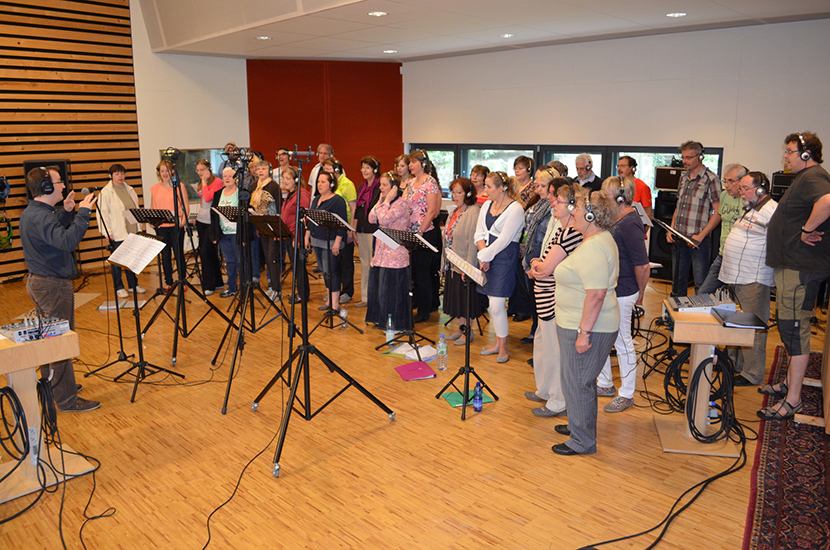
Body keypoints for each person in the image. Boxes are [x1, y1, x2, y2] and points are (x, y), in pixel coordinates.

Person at [760, 132, 830, 420]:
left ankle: (793, 399)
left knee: (794, 330)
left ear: (805, 154)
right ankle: (790, 383)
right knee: (790, 329)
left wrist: (805, 230)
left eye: (789, 152)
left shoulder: (814, 176)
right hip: (793, 267)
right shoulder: (804, 178)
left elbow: (826, 201)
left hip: (800, 268)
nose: (785, 157)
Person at [20, 166, 100, 411]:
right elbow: (66, 241)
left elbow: (53, 235)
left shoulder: (35, 212)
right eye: (58, 182)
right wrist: (84, 213)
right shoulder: (41, 215)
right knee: (60, 341)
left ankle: (54, 385)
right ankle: (66, 399)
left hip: (41, 282)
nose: (63, 186)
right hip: (52, 286)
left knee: (49, 339)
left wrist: (67, 213)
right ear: (46, 188)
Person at [552, 189, 620, 455]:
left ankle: (582, 442)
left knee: (579, 381)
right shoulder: (594, 238)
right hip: (576, 322)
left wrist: (583, 333)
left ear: (591, 215)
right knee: (576, 380)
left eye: (577, 209)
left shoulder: (594, 246)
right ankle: (577, 426)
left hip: (588, 326)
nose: (573, 213)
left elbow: (596, 295)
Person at [526, 177, 582, 418]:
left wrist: (538, 265)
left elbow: (546, 268)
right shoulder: (560, 228)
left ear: (571, 206)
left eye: (557, 199)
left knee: (555, 352)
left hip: (553, 300)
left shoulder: (570, 232)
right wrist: (537, 263)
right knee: (543, 346)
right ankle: (546, 390)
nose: (551, 202)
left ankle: (558, 401)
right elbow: (541, 261)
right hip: (545, 299)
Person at [595, 177, 650, 413]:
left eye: (606, 196)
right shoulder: (614, 218)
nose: (602, 200)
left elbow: (643, 265)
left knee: (622, 341)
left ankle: (627, 394)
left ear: (619, 198)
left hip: (625, 290)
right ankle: (605, 383)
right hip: (610, 288)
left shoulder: (630, 223)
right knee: (602, 338)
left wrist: (640, 293)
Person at [718, 171, 777, 386]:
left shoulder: (772, 211)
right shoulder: (751, 207)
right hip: (737, 277)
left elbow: (779, 243)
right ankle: (736, 364)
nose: (741, 192)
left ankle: (752, 374)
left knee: (754, 326)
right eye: (740, 188)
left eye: (745, 188)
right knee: (739, 323)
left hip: (753, 278)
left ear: (760, 190)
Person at [475, 171, 524, 363]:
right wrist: (482, 254)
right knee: (491, 303)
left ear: (501, 188)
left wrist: (486, 255)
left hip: (503, 258)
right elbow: (479, 233)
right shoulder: (486, 205)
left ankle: (504, 348)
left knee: (497, 304)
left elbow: (504, 240)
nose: (485, 190)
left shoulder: (516, 209)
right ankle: (497, 343)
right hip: (485, 255)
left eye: (488, 186)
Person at [667, 141, 721, 296]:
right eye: (683, 157)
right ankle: (676, 316)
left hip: (699, 241)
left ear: (701, 156)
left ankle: (699, 317)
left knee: (701, 284)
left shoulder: (711, 179)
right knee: (678, 282)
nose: (685, 161)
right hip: (679, 238)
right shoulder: (683, 178)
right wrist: (671, 229)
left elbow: (718, 212)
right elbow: (679, 205)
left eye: (689, 157)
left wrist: (701, 236)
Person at [365, 171, 412, 330]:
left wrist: (388, 200)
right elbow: (371, 218)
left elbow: (384, 219)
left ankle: (395, 324)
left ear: (394, 187)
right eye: (380, 185)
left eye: (384, 185)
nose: (381, 187)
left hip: (395, 256)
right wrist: (381, 200)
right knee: (380, 291)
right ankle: (380, 319)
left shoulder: (402, 204)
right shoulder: (384, 202)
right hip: (380, 254)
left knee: (391, 293)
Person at [518, 166, 557, 342]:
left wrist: (530, 260)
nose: (539, 189)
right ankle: (536, 333)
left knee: (542, 305)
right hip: (529, 254)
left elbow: (545, 241)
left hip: (540, 260)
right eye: (537, 185)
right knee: (534, 301)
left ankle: (540, 337)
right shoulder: (539, 203)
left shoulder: (552, 208)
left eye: (543, 186)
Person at [442, 178, 482, 346]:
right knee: (457, 300)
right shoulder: (453, 211)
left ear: (468, 193)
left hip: (464, 264)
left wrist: (469, 267)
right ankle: (461, 329)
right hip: (452, 264)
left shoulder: (474, 211)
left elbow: (474, 242)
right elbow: (446, 237)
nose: (455, 195)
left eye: (459, 192)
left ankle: (468, 332)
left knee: (466, 301)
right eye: (453, 192)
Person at [697, 163, 747, 294]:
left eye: (731, 181)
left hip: (740, 258)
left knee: (736, 298)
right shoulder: (724, 196)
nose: (726, 185)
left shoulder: (748, 200)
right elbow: (718, 215)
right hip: (723, 254)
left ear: (743, 181)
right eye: (725, 181)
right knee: (703, 293)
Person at [405, 150, 443, 323]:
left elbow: (432, 211)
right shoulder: (411, 183)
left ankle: (424, 311)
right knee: (412, 274)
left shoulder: (430, 182)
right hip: (410, 234)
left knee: (423, 274)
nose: (410, 165)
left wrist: (420, 232)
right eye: (410, 162)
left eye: (413, 162)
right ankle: (414, 305)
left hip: (424, 234)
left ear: (422, 163)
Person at [97, 163, 145, 298]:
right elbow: (102, 213)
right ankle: (119, 287)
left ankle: (133, 284)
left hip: (131, 230)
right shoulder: (106, 192)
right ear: (111, 176)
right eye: (117, 173)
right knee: (117, 262)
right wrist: (107, 232)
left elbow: (135, 209)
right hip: (117, 232)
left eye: (122, 173)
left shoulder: (129, 189)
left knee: (132, 260)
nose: (120, 176)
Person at [306, 171, 349, 312]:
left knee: (331, 272)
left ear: (331, 184)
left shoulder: (337, 200)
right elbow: (310, 220)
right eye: (318, 181)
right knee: (325, 272)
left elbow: (342, 224)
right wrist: (307, 236)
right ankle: (329, 300)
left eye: (323, 182)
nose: (319, 184)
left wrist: (337, 242)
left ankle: (335, 305)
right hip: (317, 240)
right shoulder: (316, 199)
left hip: (331, 242)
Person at [150, 160, 190, 289]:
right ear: (159, 173)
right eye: (162, 171)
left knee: (178, 254)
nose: (165, 173)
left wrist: (183, 221)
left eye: (167, 170)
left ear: (172, 171)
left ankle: (182, 280)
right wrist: (151, 221)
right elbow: (152, 207)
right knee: (165, 255)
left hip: (176, 226)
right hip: (161, 227)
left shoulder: (179, 186)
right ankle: (168, 282)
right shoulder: (155, 188)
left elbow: (185, 206)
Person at [322, 158, 357, 304]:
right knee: (333, 263)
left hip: (344, 227)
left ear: (336, 169)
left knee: (346, 261)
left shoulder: (347, 184)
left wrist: (350, 230)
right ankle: (335, 290)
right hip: (332, 229)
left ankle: (347, 291)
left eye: (329, 169)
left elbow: (353, 208)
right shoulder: (330, 186)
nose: (327, 172)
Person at [210, 167, 246, 298]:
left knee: (240, 261)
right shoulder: (218, 193)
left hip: (237, 233)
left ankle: (244, 287)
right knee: (229, 261)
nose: (227, 178)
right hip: (223, 233)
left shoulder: (241, 193)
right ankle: (232, 287)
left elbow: (246, 216)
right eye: (225, 176)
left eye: (230, 176)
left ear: (235, 178)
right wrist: (214, 235)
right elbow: (213, 215)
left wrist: (245, 236)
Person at [250, 160, 282, 298]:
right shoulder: (253, 186)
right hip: (261, 225)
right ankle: (273, 286)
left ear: (269, 170)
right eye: (258, 168)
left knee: (272, 257)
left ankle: (277, 289)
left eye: (263, 168)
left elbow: (279, 207)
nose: (261, 171)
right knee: (268, 258)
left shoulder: (274, 186)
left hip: (272, 225)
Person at [354, 156, 382, 308]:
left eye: (367, 167)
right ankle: (365, 297)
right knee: (364, 263)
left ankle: (375, 296)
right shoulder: (361, 187)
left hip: (374, 230)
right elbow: (358, 210)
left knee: (374, 263)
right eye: (362, 167)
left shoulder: (380, 187)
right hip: (362, 229)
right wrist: (354, 229)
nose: (364, 170)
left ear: (375, 170)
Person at [193, 159, 224, 295]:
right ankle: (218, 282)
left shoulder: (217, 182)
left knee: (205, 252)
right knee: (209, 253)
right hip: (201, 220)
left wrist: (205, 183)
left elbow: (208, 197)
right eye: (198, 170)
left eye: (202, 169)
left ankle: (209, 285)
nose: (200, 172)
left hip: (212, 222)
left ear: (209, 169)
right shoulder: (201, 182)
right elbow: (202, 201)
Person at [280, 165, 311, 302]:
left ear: (296, 180)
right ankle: (300, 293)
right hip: (289, 235)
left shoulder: (302, 194)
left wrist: (300, 238)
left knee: (299, 268)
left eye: (288, 178)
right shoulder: (291, 194)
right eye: (283, 178)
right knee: (296, 267)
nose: (285, 181)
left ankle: (302, 295)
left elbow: (305, 218)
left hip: (296, 236)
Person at [616, 156, 653, 221]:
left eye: (623, 166)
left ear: (632, 168)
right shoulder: (615, 184)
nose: (619, 169)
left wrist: (643, 230)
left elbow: (648, 213)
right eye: (618, 166)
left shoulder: (642, 187)